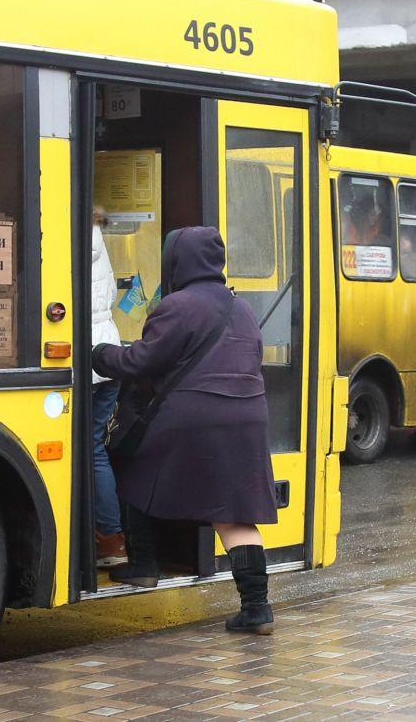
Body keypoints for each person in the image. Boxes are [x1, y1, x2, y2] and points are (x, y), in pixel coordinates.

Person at [93, 226, 278, 635]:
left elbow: (140, 362)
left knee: (131, 469)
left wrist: (100, 354)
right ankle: (257, 608)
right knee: (235, 514)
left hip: (196, 417)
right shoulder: (241, 308)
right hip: (248, 416)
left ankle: (143, 565)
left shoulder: (177, 306)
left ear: (176, 261)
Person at [90, 208, 126, 568]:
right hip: (108, 354)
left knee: (89, 450)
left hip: (86, 358)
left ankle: (110, 538)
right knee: (95, 447)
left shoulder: (67, 239)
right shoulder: (98, 239)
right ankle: (109, 538)